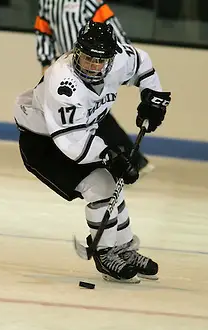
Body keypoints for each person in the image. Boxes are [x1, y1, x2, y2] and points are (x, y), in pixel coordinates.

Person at [14, 21, 171, 283]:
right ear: (77, 53)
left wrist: (153, 98)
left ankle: (123, 248)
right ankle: (105, 253)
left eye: (101, 60)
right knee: (101, 186)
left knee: (112, 184)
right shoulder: (63, 83)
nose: (94, 66)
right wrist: (110, 156)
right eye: (88, 59)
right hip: (44, 143)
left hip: (84, 133)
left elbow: (143, 63)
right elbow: (72, 142)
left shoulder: (119, 59)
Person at [34, 0, 154, 175]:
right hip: (68, 69)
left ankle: (129, 161)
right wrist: (45, 61)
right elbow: (43, 30)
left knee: (97, 116)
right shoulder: (48, 2)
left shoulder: (88, 1)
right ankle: (128, 161)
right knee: (85, 116)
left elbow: (110, 24)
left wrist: (125, 56)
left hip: (95, 66)